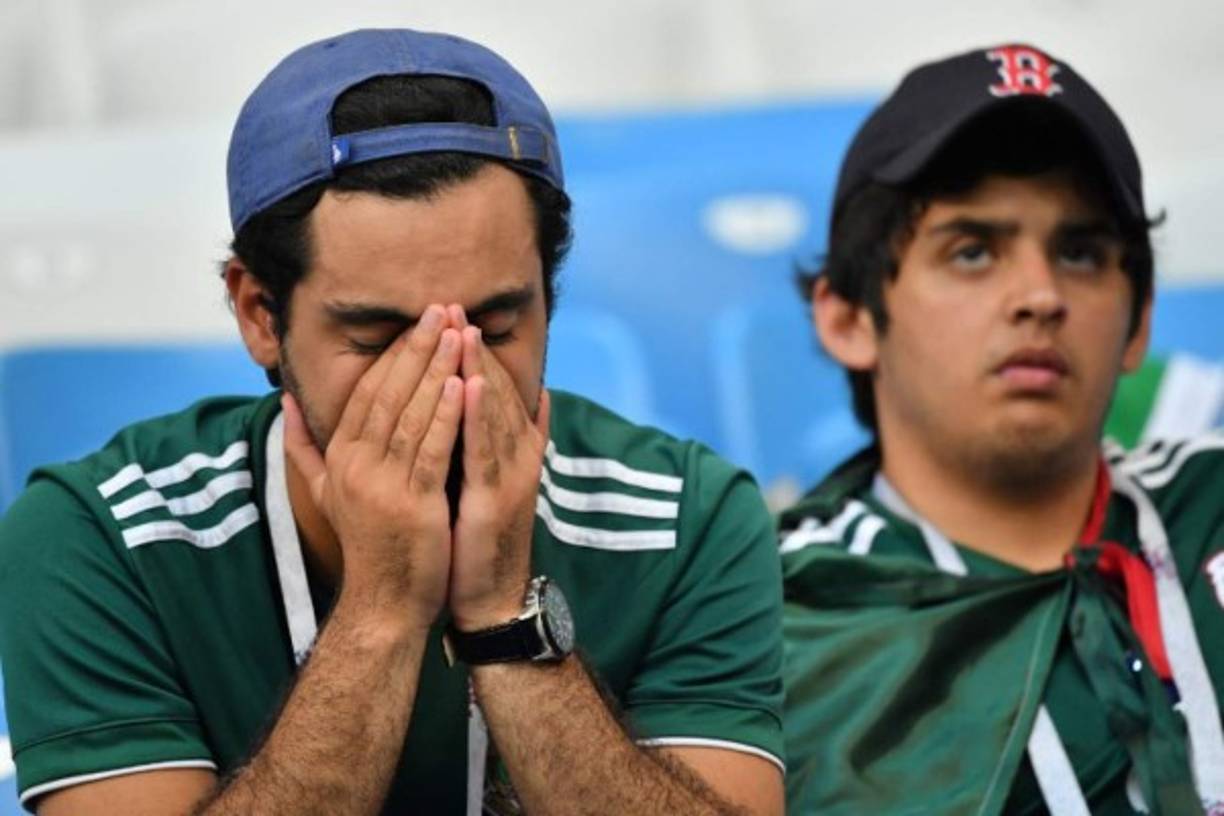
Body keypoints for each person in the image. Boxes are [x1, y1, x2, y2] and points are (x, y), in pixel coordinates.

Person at [0, 29, 785, 815]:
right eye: (377, 340)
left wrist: (504, 615)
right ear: (259, 315)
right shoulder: (104, 538)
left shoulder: (685, 514)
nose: (444, 380)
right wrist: (382, 608)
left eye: (497, 327)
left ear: (548, 299)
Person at [780, 44, 1224, 815]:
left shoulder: (1211, 499)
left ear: (1138, 324)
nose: (1040, 295)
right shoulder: (782, 618)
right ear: (847, 318)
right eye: (974, 250)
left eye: (1080, 253)